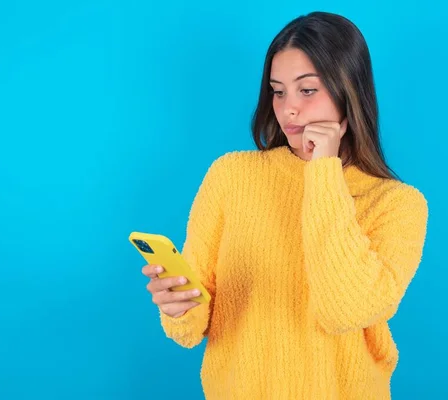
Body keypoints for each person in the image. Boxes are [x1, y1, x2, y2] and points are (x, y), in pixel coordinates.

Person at [141, 11, 428, 399]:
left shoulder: (397, 204)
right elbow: (192, 327)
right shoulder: (231, 176)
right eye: (278, 91)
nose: (288, 108)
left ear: (349, 90)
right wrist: (177, 307)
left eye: (307, 90)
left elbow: (345, 310)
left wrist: (323, 171)